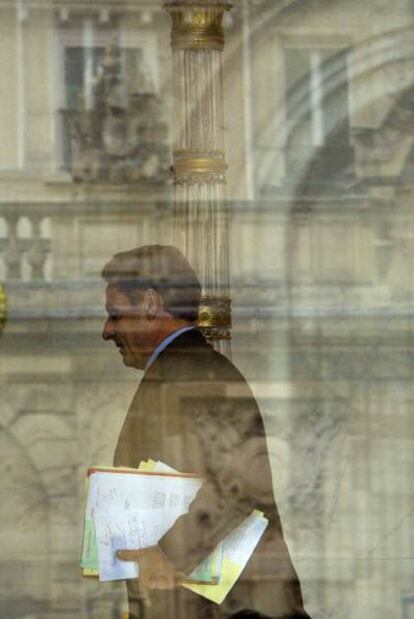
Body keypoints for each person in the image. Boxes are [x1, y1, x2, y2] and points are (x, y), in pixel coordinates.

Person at [101, 245, 311, 619]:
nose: (107, 331)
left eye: (115, 315)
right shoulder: (183, 372)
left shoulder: (193, 377)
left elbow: (237, 502)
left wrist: (164, 565)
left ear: (150, 303)